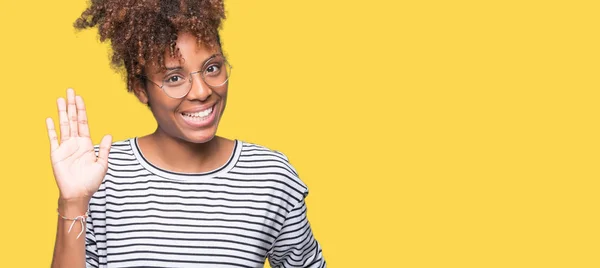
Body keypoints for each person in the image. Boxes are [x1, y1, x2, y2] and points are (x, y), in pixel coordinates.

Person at [47, 0, 326, 267]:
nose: (203, 92)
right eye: (174, 78)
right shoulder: (100, 175)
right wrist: (73, 203)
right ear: (141, 89)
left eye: (212, 68)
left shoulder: (270, 176)